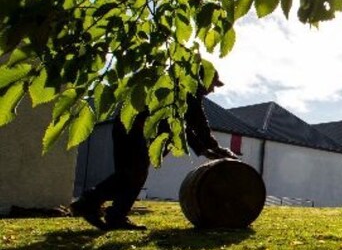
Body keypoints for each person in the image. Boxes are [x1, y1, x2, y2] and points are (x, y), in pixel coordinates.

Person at [70, 70, 236, 230]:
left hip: (126, 126)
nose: (213, 89)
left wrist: (204, 149)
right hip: (136, 129)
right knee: (134, 173)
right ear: (203, 79)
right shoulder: (187, 89)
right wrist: (214, 146)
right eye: (212, 84)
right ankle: (90, 203)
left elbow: (181, 126)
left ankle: (112, 213)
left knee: (130, 174)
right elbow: (197, 121)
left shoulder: (178, 89)